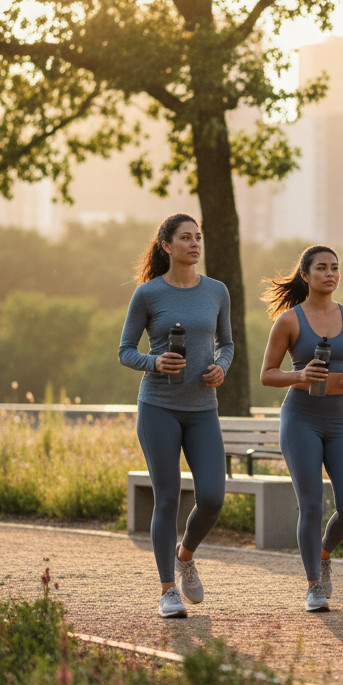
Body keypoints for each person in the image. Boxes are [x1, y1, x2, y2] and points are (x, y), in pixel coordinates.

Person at [118, 214, 233, 619]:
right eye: (186, 237)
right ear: (166, 245)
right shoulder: (148, 294)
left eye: (198, 237)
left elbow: (228, 344)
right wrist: (154, 362)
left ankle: (185, 555)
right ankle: (167, 589)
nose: (195, 243)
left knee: (213, 498)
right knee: (167, 497)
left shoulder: (217, 291)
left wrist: (222, 366)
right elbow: (125, 350)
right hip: (159, 408)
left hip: (203, 409)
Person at [259, 245, 343, 612]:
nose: (330, 273)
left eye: (335, 267)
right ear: (305, 275)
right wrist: (299, 375)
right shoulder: (290, 321)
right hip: (301, 418)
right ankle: (313, 586)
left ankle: (324, 554)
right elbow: (267, 374)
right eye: (321, 268)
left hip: (340, 419)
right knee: (312, 505)